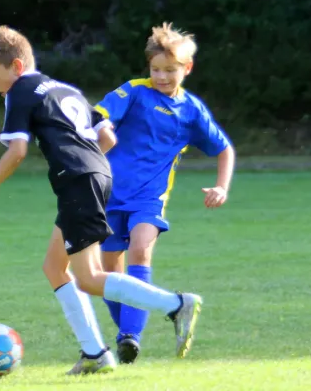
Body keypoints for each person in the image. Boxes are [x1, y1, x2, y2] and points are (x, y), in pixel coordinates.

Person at [0, 25, 203, 375]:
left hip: (79, 182)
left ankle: (176, 304)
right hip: (95, 176)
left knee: (90, 277)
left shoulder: (20, 91)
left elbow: (17, 151)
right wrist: (89, 165)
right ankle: (95, 353)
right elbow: (105, 134)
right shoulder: (64, 89)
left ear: (16, 67)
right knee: (54, 267)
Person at [95, 22, 236, 364]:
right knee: (108, 273)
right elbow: (99, 115)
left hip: (149, 198)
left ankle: (130, 336)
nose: (161, 77)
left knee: (140, 251)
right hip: (108, 193)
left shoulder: (191, 111)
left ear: (187, 68)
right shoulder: (135, 91)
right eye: (156, 69)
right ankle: (128, 333)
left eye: (170, 70)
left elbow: (224, 149)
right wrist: (99, 130)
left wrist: (221, 186)